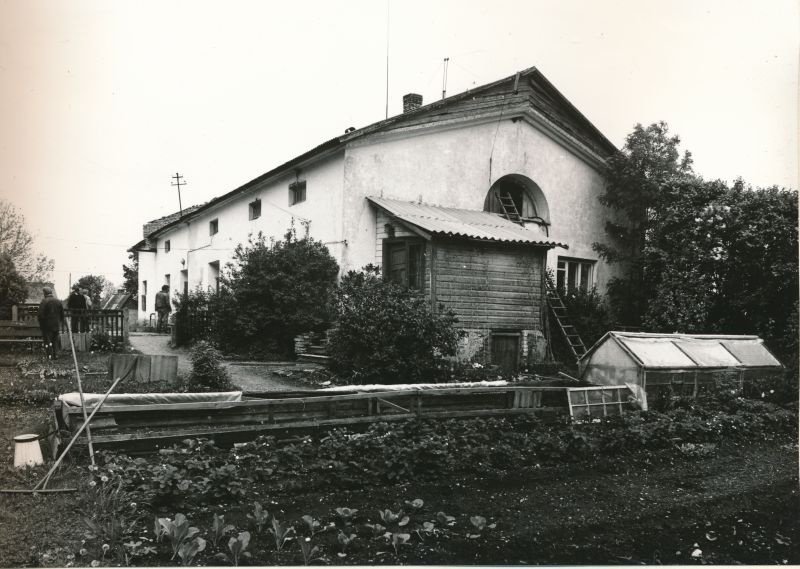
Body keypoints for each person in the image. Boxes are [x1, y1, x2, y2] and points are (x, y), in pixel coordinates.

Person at [38, 287, 64, 359]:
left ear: (45, 293)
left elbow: (40, 314)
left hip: (47, 325)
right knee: (55, 340)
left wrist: (42, 323)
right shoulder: (58, 301)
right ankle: (56, 355)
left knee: (47, 340)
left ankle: (49, 356)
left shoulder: (44, 301)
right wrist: (58, 321)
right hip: (56, 324)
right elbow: (62, 314)